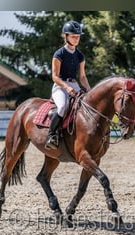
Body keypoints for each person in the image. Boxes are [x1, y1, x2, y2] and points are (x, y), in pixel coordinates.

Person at [45, 20, 91, 150]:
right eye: (73, 36)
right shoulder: (59, 54)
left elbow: (82, 76)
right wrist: (66, 87)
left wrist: (89, 89)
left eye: (78, 37)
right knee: (62, 107)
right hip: (60, 86)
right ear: (66, 36)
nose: (76, 39)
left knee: (87, 106)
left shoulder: (80, 55)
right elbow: (54, 76)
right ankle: (51, 135)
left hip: (74, 85)